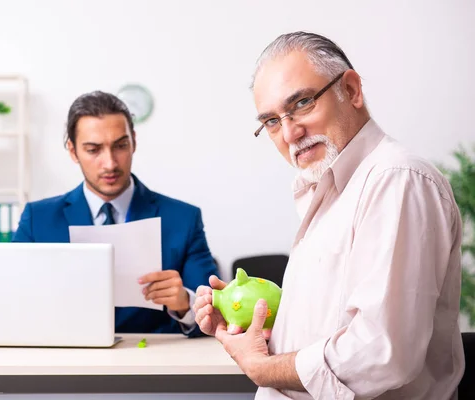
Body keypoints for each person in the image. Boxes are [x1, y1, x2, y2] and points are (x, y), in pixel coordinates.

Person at [193, 31, 465, 399]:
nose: (289, 133)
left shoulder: (396, 180)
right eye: (271, 122)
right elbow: (323, 327)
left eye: (302, 103)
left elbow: (382, 353)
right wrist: (246, 317)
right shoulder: (328, 188)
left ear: (351, 90)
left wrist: (261, 368)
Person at [13, 90, 218, 337]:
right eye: (93, 149)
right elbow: (14, 301)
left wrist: (185, 303)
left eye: (120, 146)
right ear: (72, 151)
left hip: (154, 365)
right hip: (65, 361)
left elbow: (215, 320)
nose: (110, 163)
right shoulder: (38, 219)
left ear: (134, 142)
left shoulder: (183, 219)